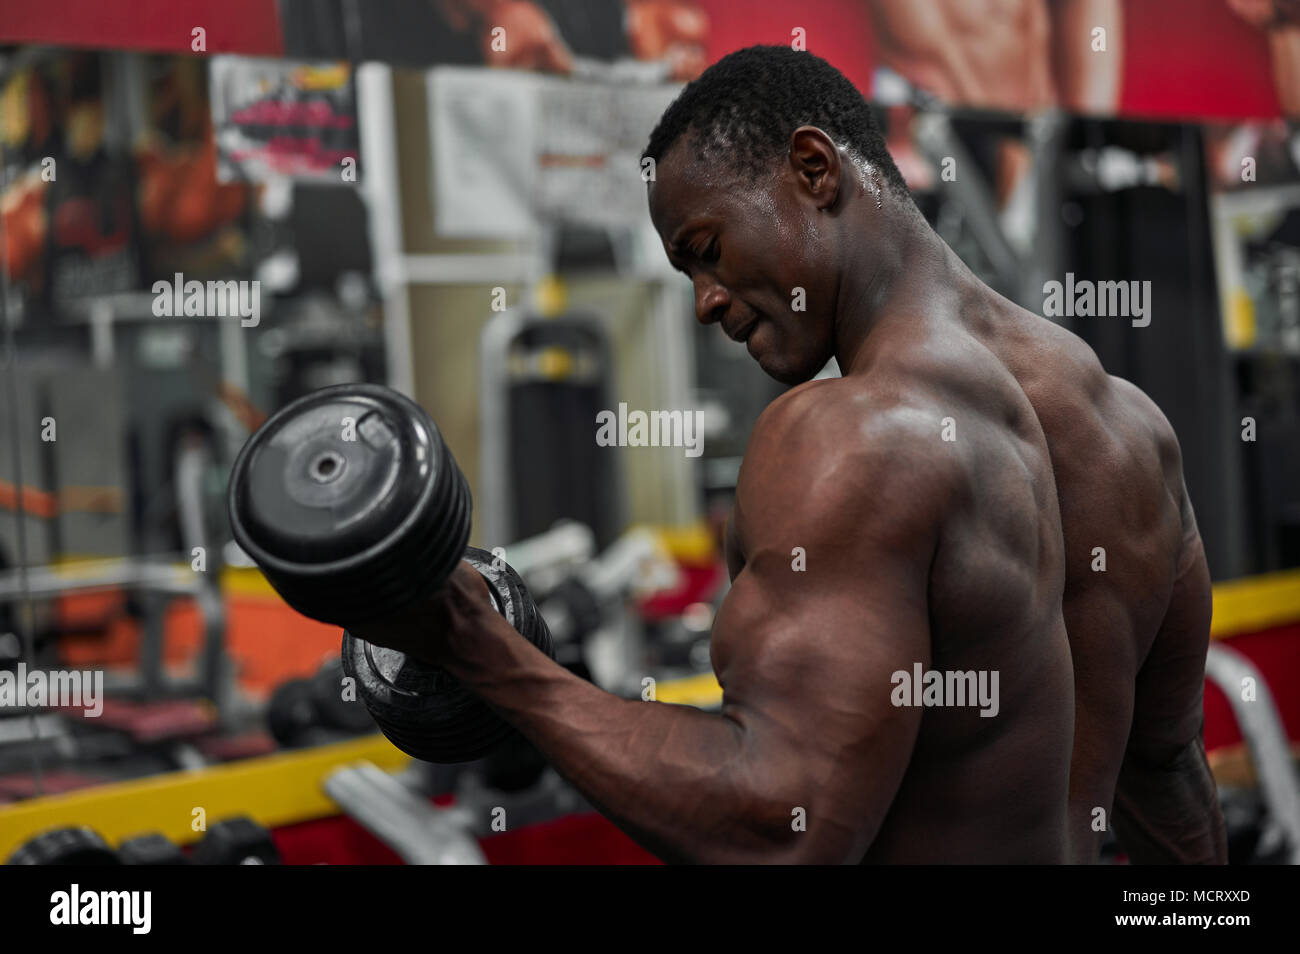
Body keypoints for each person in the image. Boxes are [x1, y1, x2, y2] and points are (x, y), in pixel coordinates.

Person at [357, 46, 1225, 863]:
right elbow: (1166, 776)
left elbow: (781, 827)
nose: (703, 302)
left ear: (816, 170)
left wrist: (480, 647)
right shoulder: (1129, 432)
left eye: (706, 251)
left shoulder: (850, 436)